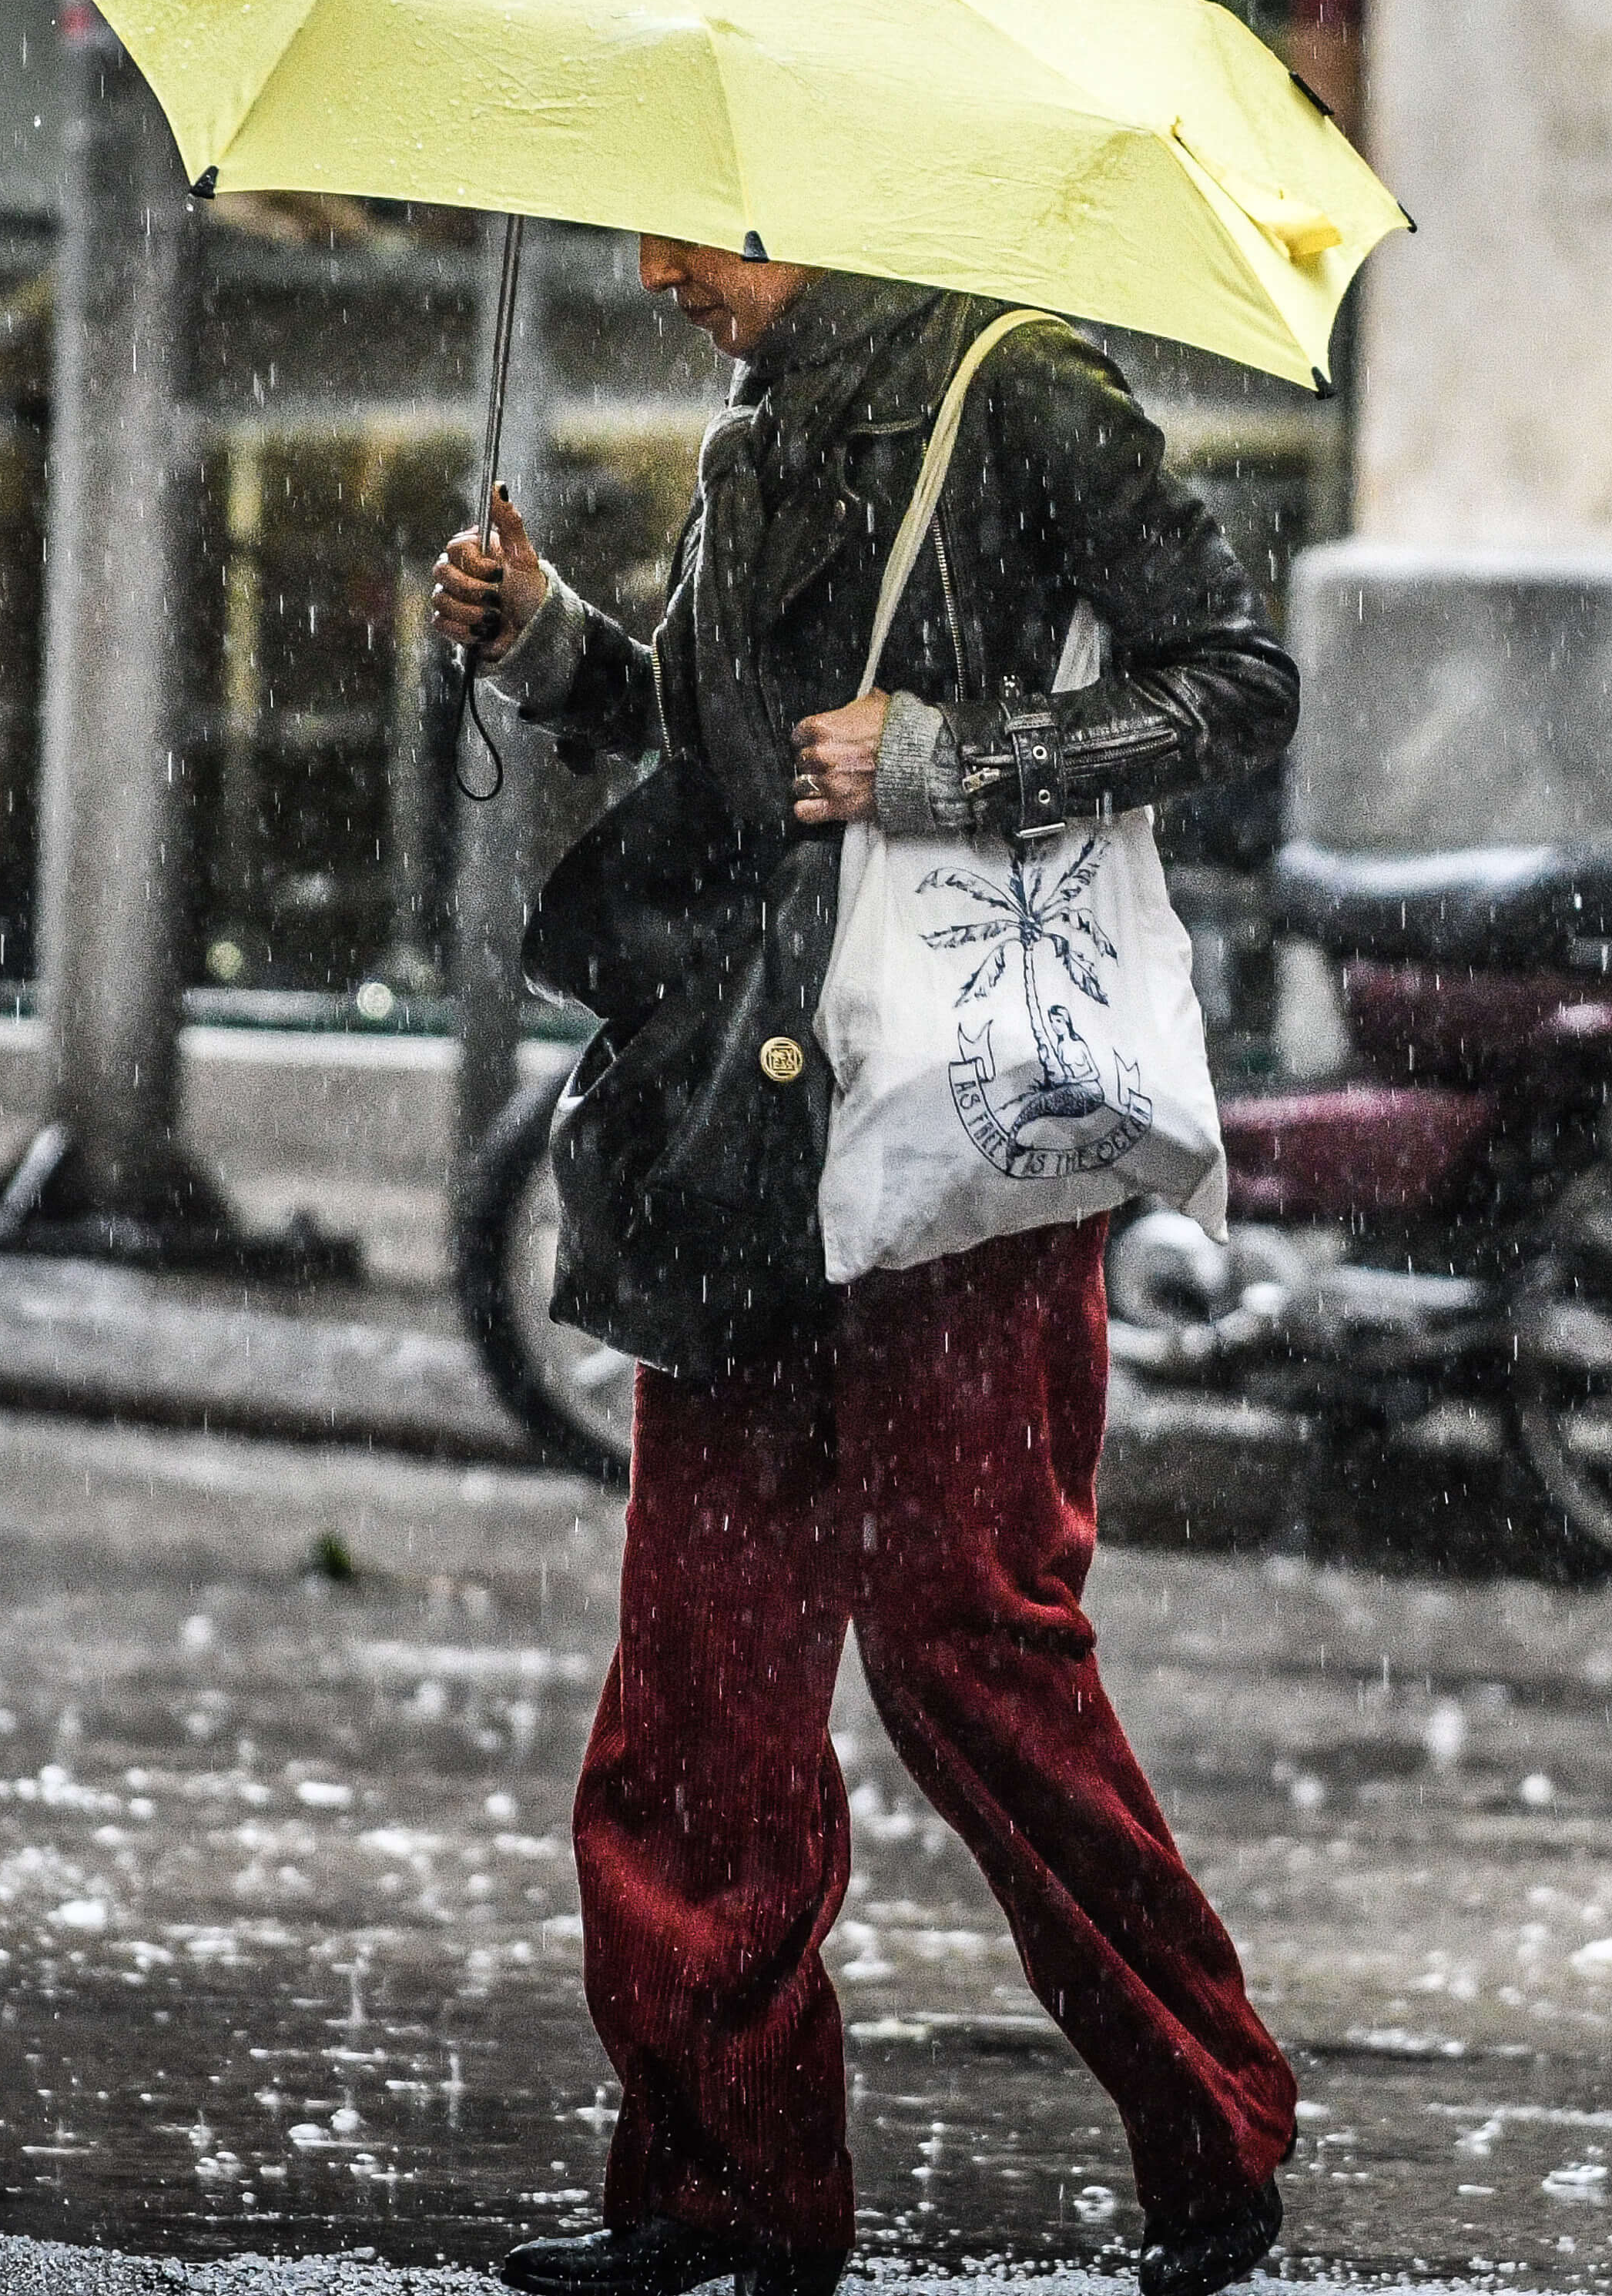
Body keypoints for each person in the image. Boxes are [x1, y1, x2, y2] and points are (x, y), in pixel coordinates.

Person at [432, 243, 1302, 2296]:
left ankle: (1211, 2123)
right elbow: (714, 737)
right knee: (695, 1679)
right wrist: (553, 643)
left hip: (948, 1134)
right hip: (738, 1125)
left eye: (692, 228)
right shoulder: (762, 432)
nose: (654, 272)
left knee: (962, 1641)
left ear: (811, 199)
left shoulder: (1022, 380)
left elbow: (1233, 682)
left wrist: (954, 762)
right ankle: (720, 2191)